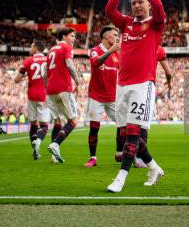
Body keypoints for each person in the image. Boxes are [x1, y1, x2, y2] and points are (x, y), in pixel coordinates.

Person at [105, 0, 165, 193]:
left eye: (141, 2)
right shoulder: (126, 23)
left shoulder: (156, 24)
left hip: (143, 85)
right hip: (123, 85)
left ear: (148, 4)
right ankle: (154, 168)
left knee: (132, 134)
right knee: (126, 134)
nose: (137, 5)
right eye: (133, 3)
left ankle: (120, 178)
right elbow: (109, 11)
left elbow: (159, 5)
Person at [83, 25, 121, 168]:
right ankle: (93, 158)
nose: (117, 38)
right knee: (94, 127)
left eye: (118, 35)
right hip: (96, 96)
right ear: (106, 37)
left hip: (113, 97)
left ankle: (119, 153)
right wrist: (111, 51)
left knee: (122, 125)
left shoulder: (119, 54)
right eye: (114, 35)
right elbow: (95, 63)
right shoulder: (95, 51)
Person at [44, 27, 81, 163]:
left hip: (51, 90)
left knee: (58, 122)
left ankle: (54, 156)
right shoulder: (66, 48)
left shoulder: (50, 51)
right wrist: (77, 80)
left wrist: (46, 88)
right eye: (72, 36)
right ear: (64, 37)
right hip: (63, 88)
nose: (74, 39)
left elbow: (45, 74)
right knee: (73, 121)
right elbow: (70, 65)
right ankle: (56, 144)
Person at [15, 39, 51, 160]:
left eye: (31, 47)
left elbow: (16, 80)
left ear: (36, 48)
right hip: (44, 95)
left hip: (31, 94)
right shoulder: (48, 60)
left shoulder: (28, 61)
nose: (30, 49)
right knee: (44, 125)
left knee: (33, 123)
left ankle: (34, 151)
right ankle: (38, 142)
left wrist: (27, 75)